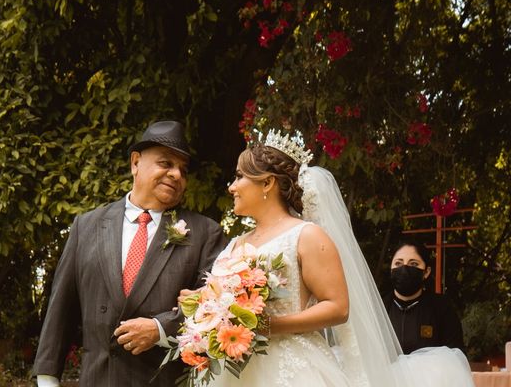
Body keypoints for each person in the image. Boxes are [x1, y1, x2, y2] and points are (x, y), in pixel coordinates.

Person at [192, 129, 475, 387]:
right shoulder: (236, 243)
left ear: (267, 183)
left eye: (240, 176)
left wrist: (271, 325)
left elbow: (338, 307)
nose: (232, 186)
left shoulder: (306, 236)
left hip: (291, 370)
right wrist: (207, 309)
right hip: (236, 367)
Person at [33, 120, 227, 387]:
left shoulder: (206, 233)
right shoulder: (86, 226)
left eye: (183, 169)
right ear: (135, 162)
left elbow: (217, 309)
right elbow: (61, 309)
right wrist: (47, 379)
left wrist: (160, 330)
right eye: (166, 163)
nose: (177, 175)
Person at [383, 240, 466, 354]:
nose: (405, 269)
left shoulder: (441, 308)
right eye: (398, 263)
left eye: (414, 264)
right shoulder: (379, 308)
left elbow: (456, 353)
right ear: (391, 269)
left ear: (426, 272)